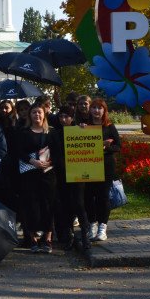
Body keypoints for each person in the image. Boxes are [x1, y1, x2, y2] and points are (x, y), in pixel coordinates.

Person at [10, 105, 56, 253]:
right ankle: (33, 239)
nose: (37, 115)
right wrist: (33, 161)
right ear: (30, 115)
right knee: (31, 206)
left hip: (48, 173)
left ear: (44, 115)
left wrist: (47, 163)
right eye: (34, 112)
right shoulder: (24, 132)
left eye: (39, 112)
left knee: (48, 205)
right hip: (29, 173)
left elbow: (58, 153)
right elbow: (19, 151)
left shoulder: (52, 132)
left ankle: (48, 239)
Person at [51, 107, 90, 251]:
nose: (63, 120)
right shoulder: (56, 133)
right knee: (66, 205)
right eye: (61, 117)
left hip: (78, 171)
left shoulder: (78, 130)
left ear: (72, 118)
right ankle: (69, 236)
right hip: (62, 172)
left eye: (66, 117)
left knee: (79, 204)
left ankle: (85, 236)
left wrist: (84, 129)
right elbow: (53, 152)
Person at [83, 99, 120, 242]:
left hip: (106, 166)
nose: (96, 111)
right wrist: (80, 129)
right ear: (90, 110)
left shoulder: (109, 127)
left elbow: (118, 146)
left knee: (103, 196)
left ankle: (102, 227)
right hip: (88, 166)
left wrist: (106, 148)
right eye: (94, 108)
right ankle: (92, 224)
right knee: (88, 196)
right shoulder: (85, 126)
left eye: (99, 108)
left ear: (104, 111)